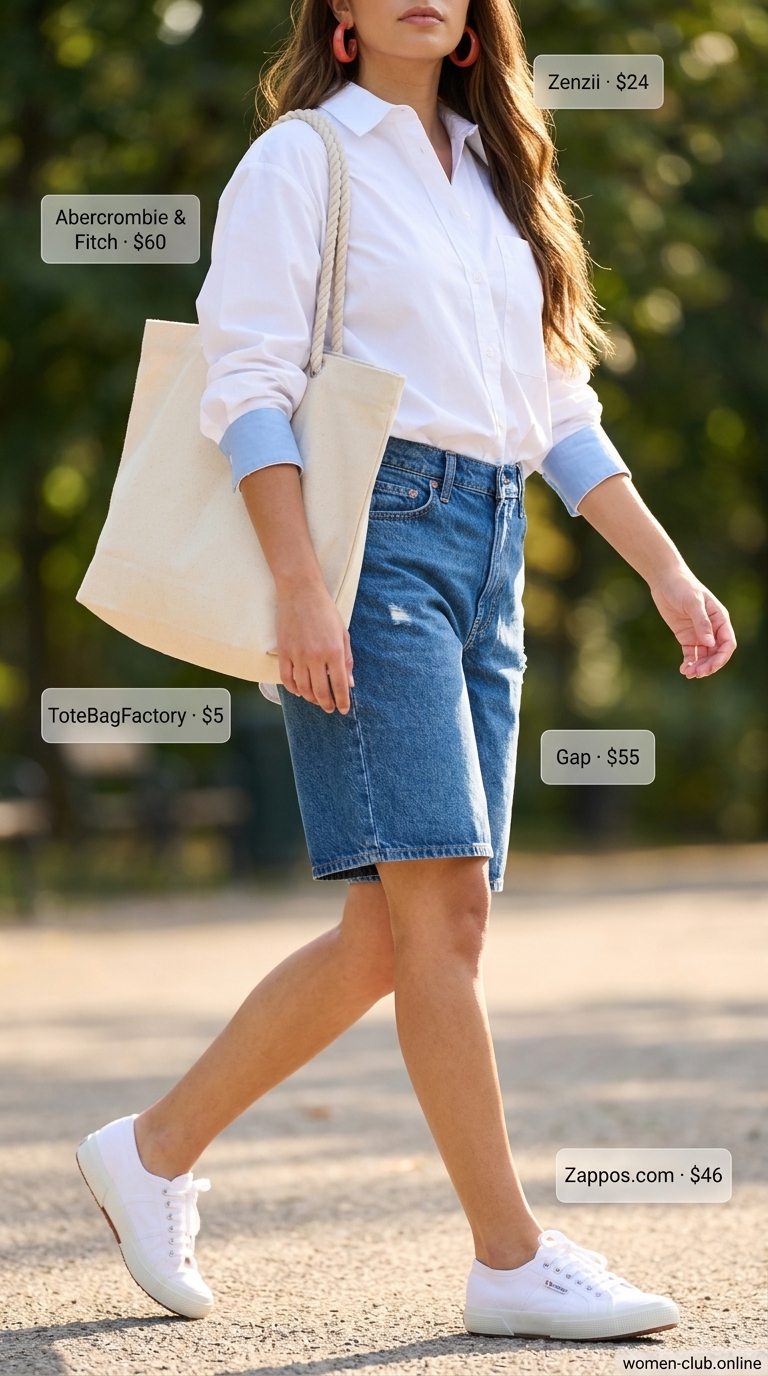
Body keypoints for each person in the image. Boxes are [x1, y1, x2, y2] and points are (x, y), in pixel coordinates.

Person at [76, 0, 736, 1341]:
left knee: (405, 928)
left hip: (490, 546)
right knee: (439, 918)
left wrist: (663, 568)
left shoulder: (505, 179)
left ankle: (150, 1151)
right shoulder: (305, 161)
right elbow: (248, 383)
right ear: (342, 17)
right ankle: (510, 1255)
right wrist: (303, 585)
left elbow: (559, 409)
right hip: (370, 548)